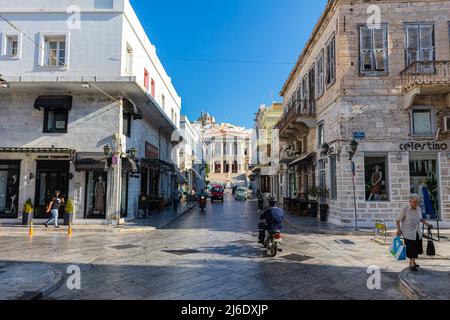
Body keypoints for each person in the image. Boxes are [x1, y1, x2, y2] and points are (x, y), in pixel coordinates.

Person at [396, 194, 433, 272]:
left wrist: (426, 224)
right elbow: (397, 219)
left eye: (417, 202)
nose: (416, 204)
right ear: (410, 201)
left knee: (416, 248)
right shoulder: (405, 208)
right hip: (408, 232)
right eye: (414, 202)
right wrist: (398, 229)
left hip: (417, 231)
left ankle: (413, 262)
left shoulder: (418, 208)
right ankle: (412, 264)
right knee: (411, 248)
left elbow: (420, 218)